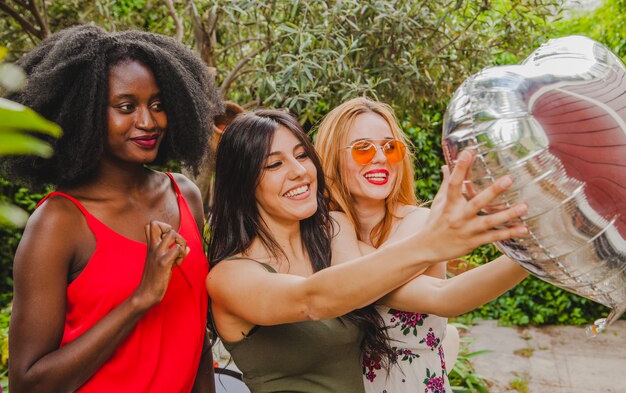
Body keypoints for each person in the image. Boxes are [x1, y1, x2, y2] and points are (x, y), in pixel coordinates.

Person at [206, 109, 528, 393]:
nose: (299, 171)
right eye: (274, 164)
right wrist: (430, 242)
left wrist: (533, 251)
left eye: (303, 155)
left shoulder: (332, 236)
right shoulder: (230, 276)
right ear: (243, 184)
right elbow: (312, 300)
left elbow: (441, 295)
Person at [5, 24, 223, 393]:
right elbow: (27, 384)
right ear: (84, 113)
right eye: (126, 106)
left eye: (158, 104)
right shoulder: (59, 222)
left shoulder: (183, 195)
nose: (148, 121)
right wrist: (141, 298)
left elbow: (194, 334)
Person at [315, 97, 529, 393]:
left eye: (390, 147)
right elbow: (355, 284)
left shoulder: (421, 223)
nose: (380, 157)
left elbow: (444, 296)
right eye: (363, 148)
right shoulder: (331, 228)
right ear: (333, 158)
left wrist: (532, 254)